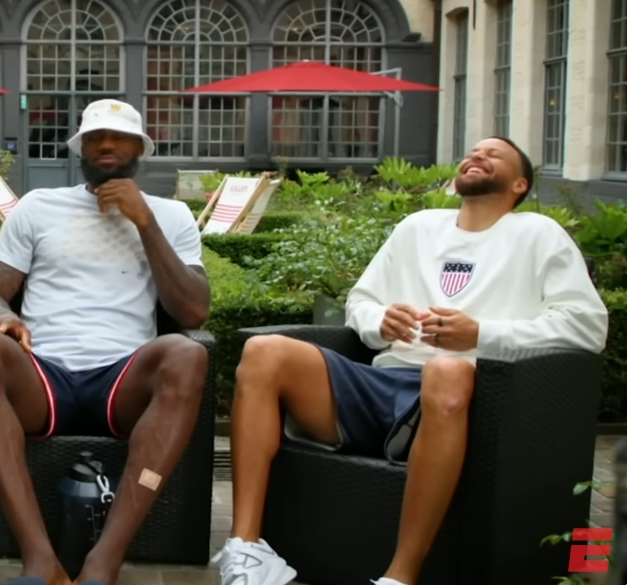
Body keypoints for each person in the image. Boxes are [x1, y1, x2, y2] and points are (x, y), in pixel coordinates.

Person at [216, 137, 609, 585]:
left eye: (494, 154)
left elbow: (588, 327)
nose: (478, 155)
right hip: (384, 384)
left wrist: (481, 335)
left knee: (446, 369)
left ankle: (400, 576)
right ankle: (246, 548)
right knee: (265, 350)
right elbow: (361, 302)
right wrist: (380, 322)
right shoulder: (418, 227)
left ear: (520, 184)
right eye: (473, 151)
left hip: (469, 398)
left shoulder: (539, 234)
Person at [0, 99, 211, 585]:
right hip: (42, 374)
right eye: (95, 138)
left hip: (123, 379)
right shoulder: (38, 206)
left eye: (119, 137)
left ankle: (103, 563)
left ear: (140, 148)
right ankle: (40, 561)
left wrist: (145, 221)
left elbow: (193, 311)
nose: (106, 145)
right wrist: (4, 314)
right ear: (81, 149)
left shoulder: (172, 215)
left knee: (187, 353)